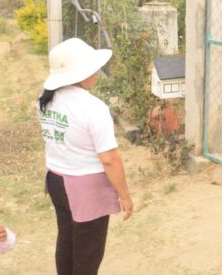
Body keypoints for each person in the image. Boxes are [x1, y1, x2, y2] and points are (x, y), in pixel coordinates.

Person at [38, 38, 133, 275]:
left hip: (56, 180)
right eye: (92, 68)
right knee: (88, 253)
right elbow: (110, 159)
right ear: (79, 74)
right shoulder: (93, 107)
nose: (97, 72)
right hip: (85, 188)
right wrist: (125, 196)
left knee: (67, 239)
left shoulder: (46, 99)